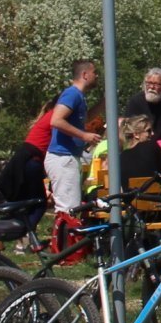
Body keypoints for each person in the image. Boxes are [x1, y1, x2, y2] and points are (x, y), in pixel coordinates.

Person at [42, 59, 98, 214]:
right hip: (63, 157)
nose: (97, 76)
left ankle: (66, 237)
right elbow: (56, 120)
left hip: (67, 157)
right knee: (69, 210)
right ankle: (65, 238)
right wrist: (84, 135)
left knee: (70, 208)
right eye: (95, 73)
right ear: (85, 75)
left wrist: (105, 102)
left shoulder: (78, 97)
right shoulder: (72, 94)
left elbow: (84, 119)